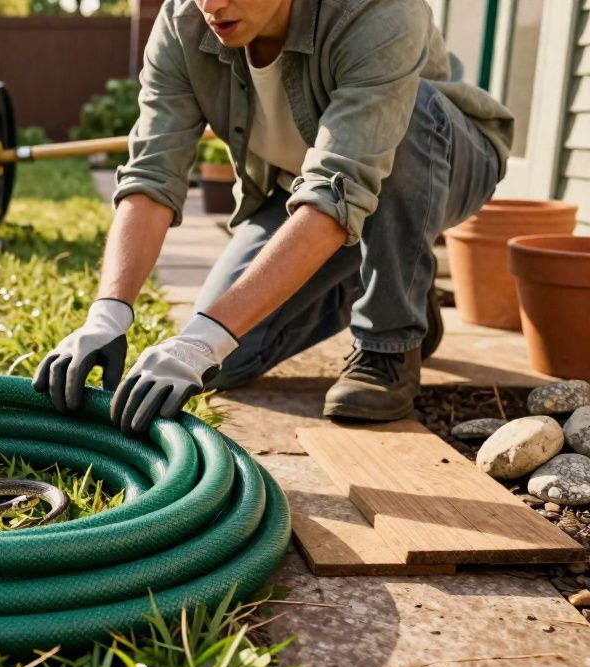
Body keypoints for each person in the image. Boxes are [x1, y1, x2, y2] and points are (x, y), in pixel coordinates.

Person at [33, 0, 513, 434]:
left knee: (408, 117)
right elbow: (153, 174)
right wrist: (108, 313)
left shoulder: (378, 10)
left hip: (445, 160)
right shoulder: (184, 23)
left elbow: (338, 185)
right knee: (229, 359)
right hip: (295, 186)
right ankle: (396, 274)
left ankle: (388, 343)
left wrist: (205, 336)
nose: (212, 5)